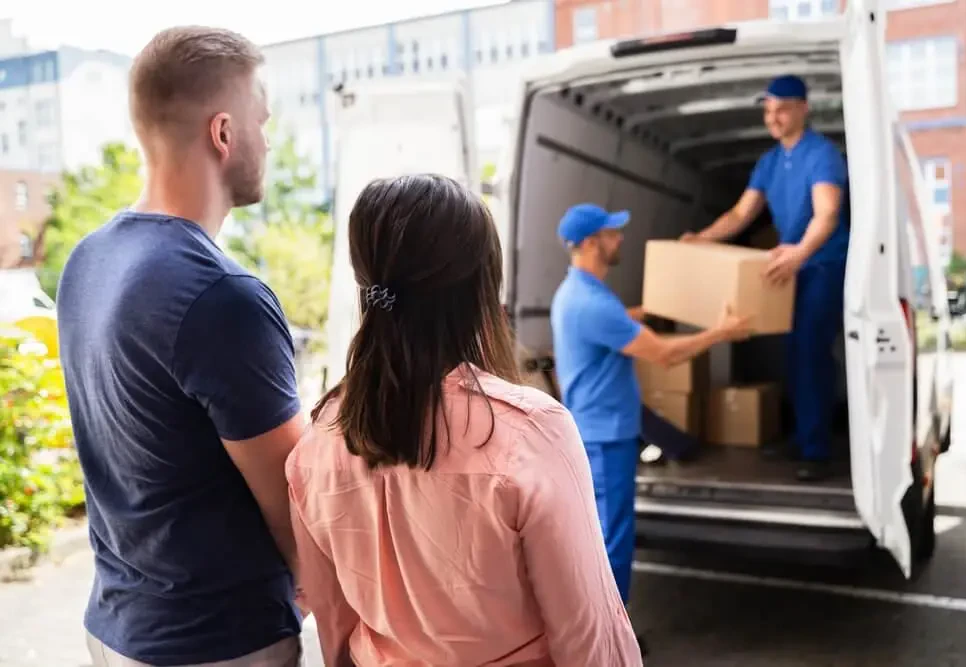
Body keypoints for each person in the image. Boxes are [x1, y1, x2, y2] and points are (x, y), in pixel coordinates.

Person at [286, 175, 642, 667]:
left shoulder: (318, 442)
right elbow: (590, 639)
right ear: (480, 290)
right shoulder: (530, 432)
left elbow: (333, 623)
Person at [57, 27, 305, 666]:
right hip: (219, 643)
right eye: (262, 119)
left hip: (117, 629)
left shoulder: (88, 259)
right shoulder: (223, 296)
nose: (269, 139)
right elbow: (296, 504)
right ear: (224, 133)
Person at [549, 203, 752, 630]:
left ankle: (599, 631)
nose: (620, 238)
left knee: (606, 533)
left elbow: (621, 320)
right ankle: (608, 638)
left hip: (600, 427)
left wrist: (666, 305)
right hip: (605, 435)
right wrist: (722, 333)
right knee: (613, 540)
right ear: (590, 243)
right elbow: (665, 354)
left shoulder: (579, 291)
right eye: (611, 233)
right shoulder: (591, 303)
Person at [681, 74, 850, 482]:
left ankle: (817, 451)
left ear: (803, 108)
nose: (773, 118)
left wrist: (801, 252)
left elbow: (827, 212)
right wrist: (698, 239)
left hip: (821, 264)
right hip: (786, 268)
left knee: (810, 351)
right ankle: (801, 435)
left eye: (782, 109)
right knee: (791, 354)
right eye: (768, 110)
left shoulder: (821, 154)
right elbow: (742, 214)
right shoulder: (770, 162)